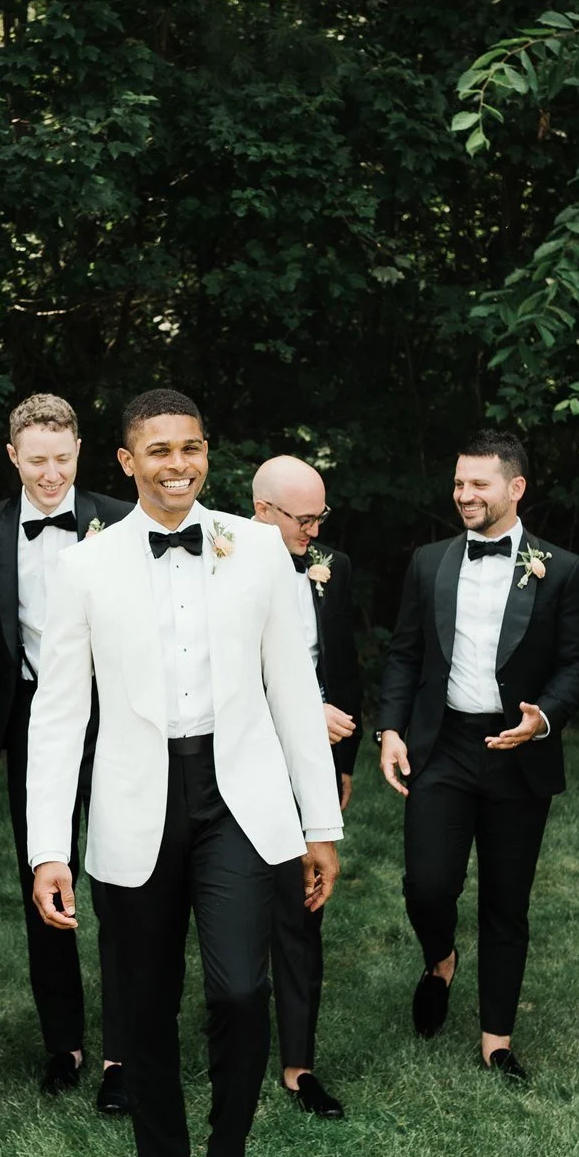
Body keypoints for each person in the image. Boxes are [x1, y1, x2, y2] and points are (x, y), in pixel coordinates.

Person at [28, 389, 342, 1157]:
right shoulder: (86, 565)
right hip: (136, 802)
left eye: (192, 448)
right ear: (126, 462)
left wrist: (320, 823)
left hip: (239, 797)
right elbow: (59, 712)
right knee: (144, 1002)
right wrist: (48, 847)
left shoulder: (260, 551)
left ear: (209, 454)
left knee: (243, 991)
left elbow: (294, 691)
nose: (178, 464)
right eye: (159, 450)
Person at [376, 431, 579, 1085]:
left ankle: (496, 1038)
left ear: (515, 488)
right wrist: (390, 728)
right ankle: (439, 956)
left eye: (478, 484)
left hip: (517, 755)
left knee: (507, 900)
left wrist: (543, 716)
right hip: (441, 747)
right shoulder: (429, 562)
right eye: (458, 482)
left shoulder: (564, 569)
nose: (464, 494)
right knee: (427, 883)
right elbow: (405, 653)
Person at [0, 394, 133, 1106]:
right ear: (13, 457)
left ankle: (125, 1049)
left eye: (63, 458)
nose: (52, 473)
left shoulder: (120, 520)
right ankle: (62, 1041)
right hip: (32, 718)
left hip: (119, 717)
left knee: (126, 880)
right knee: (45, 879)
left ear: (80, 451)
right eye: (37, 460)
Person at [248, 455, 359, 1120]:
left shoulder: (331, 569)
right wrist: (296, 706)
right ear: (264, 510)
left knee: (301, 910)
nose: (315, 530)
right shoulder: (216, 560)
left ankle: (298, 1064)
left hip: (306, 764)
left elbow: (342, 661)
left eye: (321, 516)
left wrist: (339, 759)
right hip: (236, 761)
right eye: (305, 517)